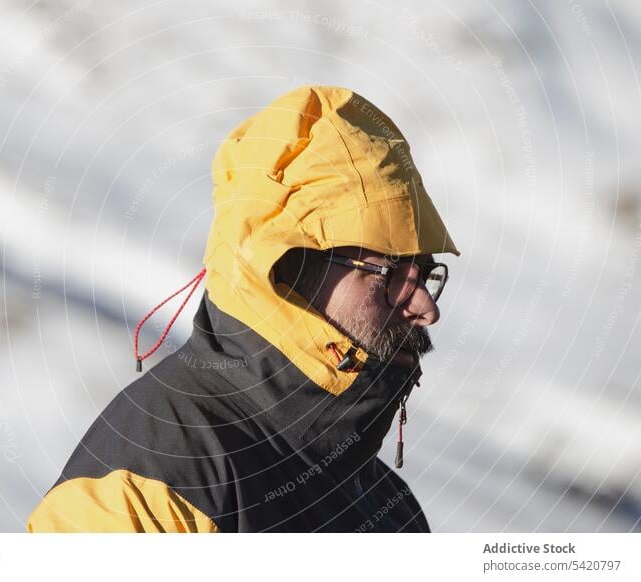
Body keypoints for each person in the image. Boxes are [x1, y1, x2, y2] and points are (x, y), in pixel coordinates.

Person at [27, 85, 459, 532]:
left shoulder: (387, 506)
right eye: (390, 274)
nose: (426, 307)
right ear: (286, 269)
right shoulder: (148, 486)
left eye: (425, 273)